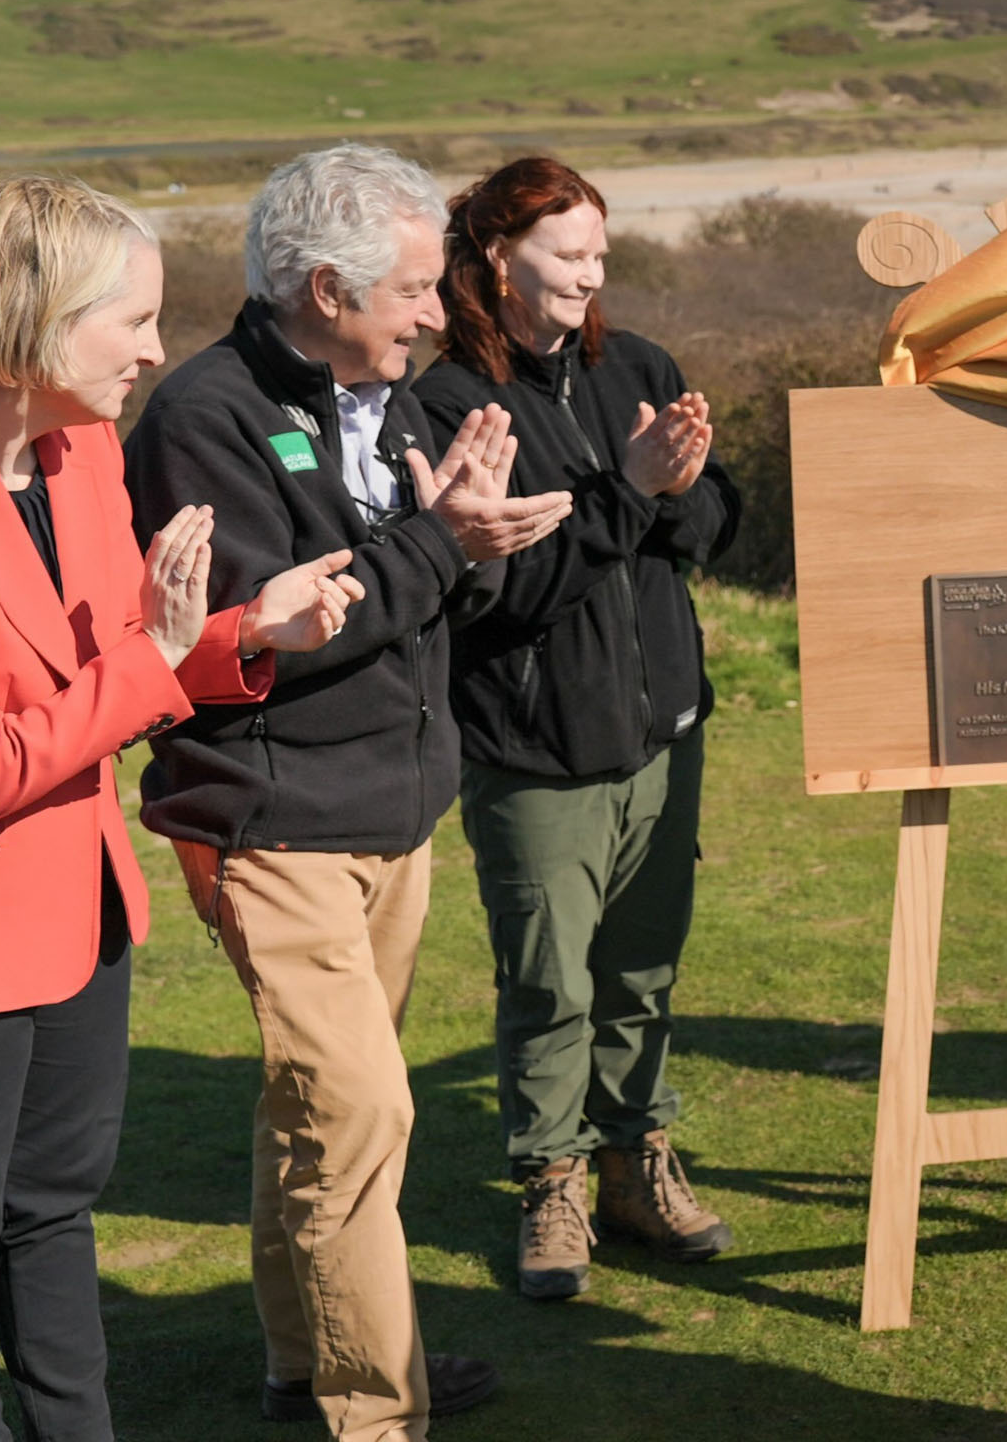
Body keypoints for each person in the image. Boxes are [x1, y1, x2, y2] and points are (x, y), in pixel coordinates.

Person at [122, 146, 573, 1441]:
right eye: (419, 290)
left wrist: (472, 547)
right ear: (325, 287)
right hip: (277, 826)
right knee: (361, 1111)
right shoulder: (202, 418)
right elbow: (290, 627)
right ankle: (377, 1409)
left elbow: (430, 604)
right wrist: (440, 543)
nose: (438, 316)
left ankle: (307, 1358)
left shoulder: (400, 399)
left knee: (315, 1114)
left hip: (393, 818)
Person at [0, 177, 359, 1442]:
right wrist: (160, 655)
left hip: (82, 910)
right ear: (29, 321)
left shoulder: (81, 455)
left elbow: (134, 653)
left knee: (56, 1208)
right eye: (128, 319)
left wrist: (249, 631)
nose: (152, 347)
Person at [415, 156, 741, 1301]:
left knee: (643, 968)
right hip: (534, 748)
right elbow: (498, 593)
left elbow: (714, 522)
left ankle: (636, 1161)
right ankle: (550, 1184)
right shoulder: (449, 402)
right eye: (569, 255)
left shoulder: (637, 365)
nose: (591, 275)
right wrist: (631, 495)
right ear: (500, 259)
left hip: (664, 733)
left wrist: (683, 486)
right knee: (550, 980)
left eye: (601, 253)